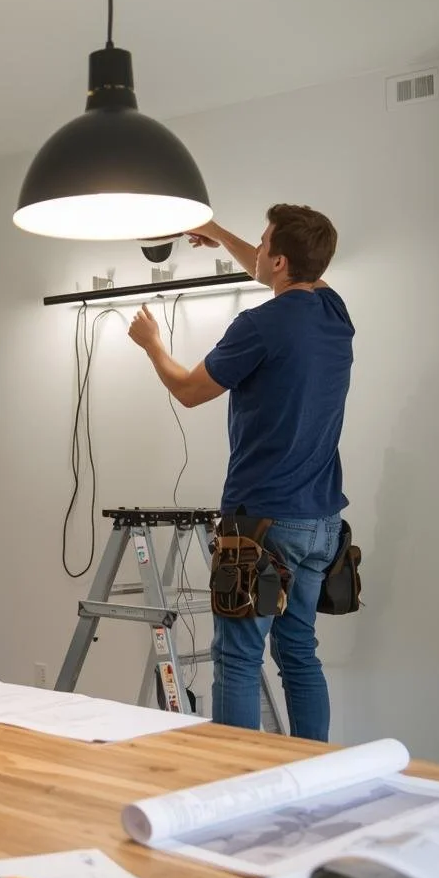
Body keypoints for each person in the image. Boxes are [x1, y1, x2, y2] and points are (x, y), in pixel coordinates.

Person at [126, 205, 354, 740]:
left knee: (237, 657)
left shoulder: (260, 325)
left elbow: (189, 390)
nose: (257, 249)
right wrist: (213, 231)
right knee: (298, 651)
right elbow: (268, 266)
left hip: (263, 524)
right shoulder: (334, 310)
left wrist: (152, 345)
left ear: (280, 261)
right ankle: (312, 767)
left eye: (264, 242)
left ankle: (238, 776)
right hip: (320, 522)